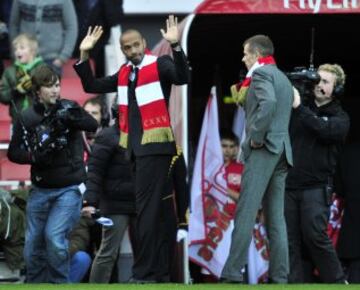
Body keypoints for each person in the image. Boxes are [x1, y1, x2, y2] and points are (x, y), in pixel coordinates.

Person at [74, 15, 189, 283]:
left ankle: (143, 273)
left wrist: (176, 47)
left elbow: (183, 77)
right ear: (123, 50)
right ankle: (157, 273)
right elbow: (92, 85)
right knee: (155, 215)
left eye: (137, 45)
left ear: (144, 44)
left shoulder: (159, 64)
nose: (133, 51)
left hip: (156, 148)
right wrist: (84, 52)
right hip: (136, 152)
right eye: (128, 48)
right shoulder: (125, 73)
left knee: (147, 214)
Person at [7, 64, 98, 283]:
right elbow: (13, 152)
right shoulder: (27, 118)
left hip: (69, 189)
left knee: (54, 238)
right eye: (49, 86)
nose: (55, 90)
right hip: (40, 190)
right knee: (31, 249)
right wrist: (34, 156)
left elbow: (92, 124)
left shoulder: (69, 107)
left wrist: (70, 117)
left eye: (57, 85)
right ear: (37, 91)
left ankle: (59, 285)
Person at [221, 35, 293, 284]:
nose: (243, 57)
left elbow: (268, 103)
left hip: (264, 148)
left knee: (245, 211)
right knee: (276, 218)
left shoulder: (261, 75)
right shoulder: (282, 77)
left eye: (245, 53)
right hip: (283, 150)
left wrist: (256, 137)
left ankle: (231, 274)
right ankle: (280, 276)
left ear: (257, 54)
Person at [286, 63, 349, 283]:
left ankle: (338, 282)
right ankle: (293, 284)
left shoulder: (341, 118)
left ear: (337, 89)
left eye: (325, 82)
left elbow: (321, 129)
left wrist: (298, 107)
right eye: (317, 80)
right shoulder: (297, 107)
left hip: (317, 186)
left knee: (315, 236)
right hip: (289, 184)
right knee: (289, 241)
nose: (319, 85)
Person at [81, 105, 136, 283]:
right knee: (108, 253)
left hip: (140, 201)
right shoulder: (107, 136)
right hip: (115, 203)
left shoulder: (144, 134)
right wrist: (89, 202)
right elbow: (95, 172)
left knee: (146, 253)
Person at [9, 0, 78, 75]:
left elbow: (71, 27)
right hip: (25, 57)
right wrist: (15, 52)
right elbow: (13, 25)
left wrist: (63, 57)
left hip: (52, 59)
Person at [0, 33, 43, 123]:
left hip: (40, 119)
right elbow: (3, 96)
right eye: (16, 49)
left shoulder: (43, 69)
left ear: (33, 51)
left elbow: (53, 94)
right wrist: (16, 91)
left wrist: (34, 87)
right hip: (17, 120)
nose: (18, 51)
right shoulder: (10, 72)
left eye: (22, 48)